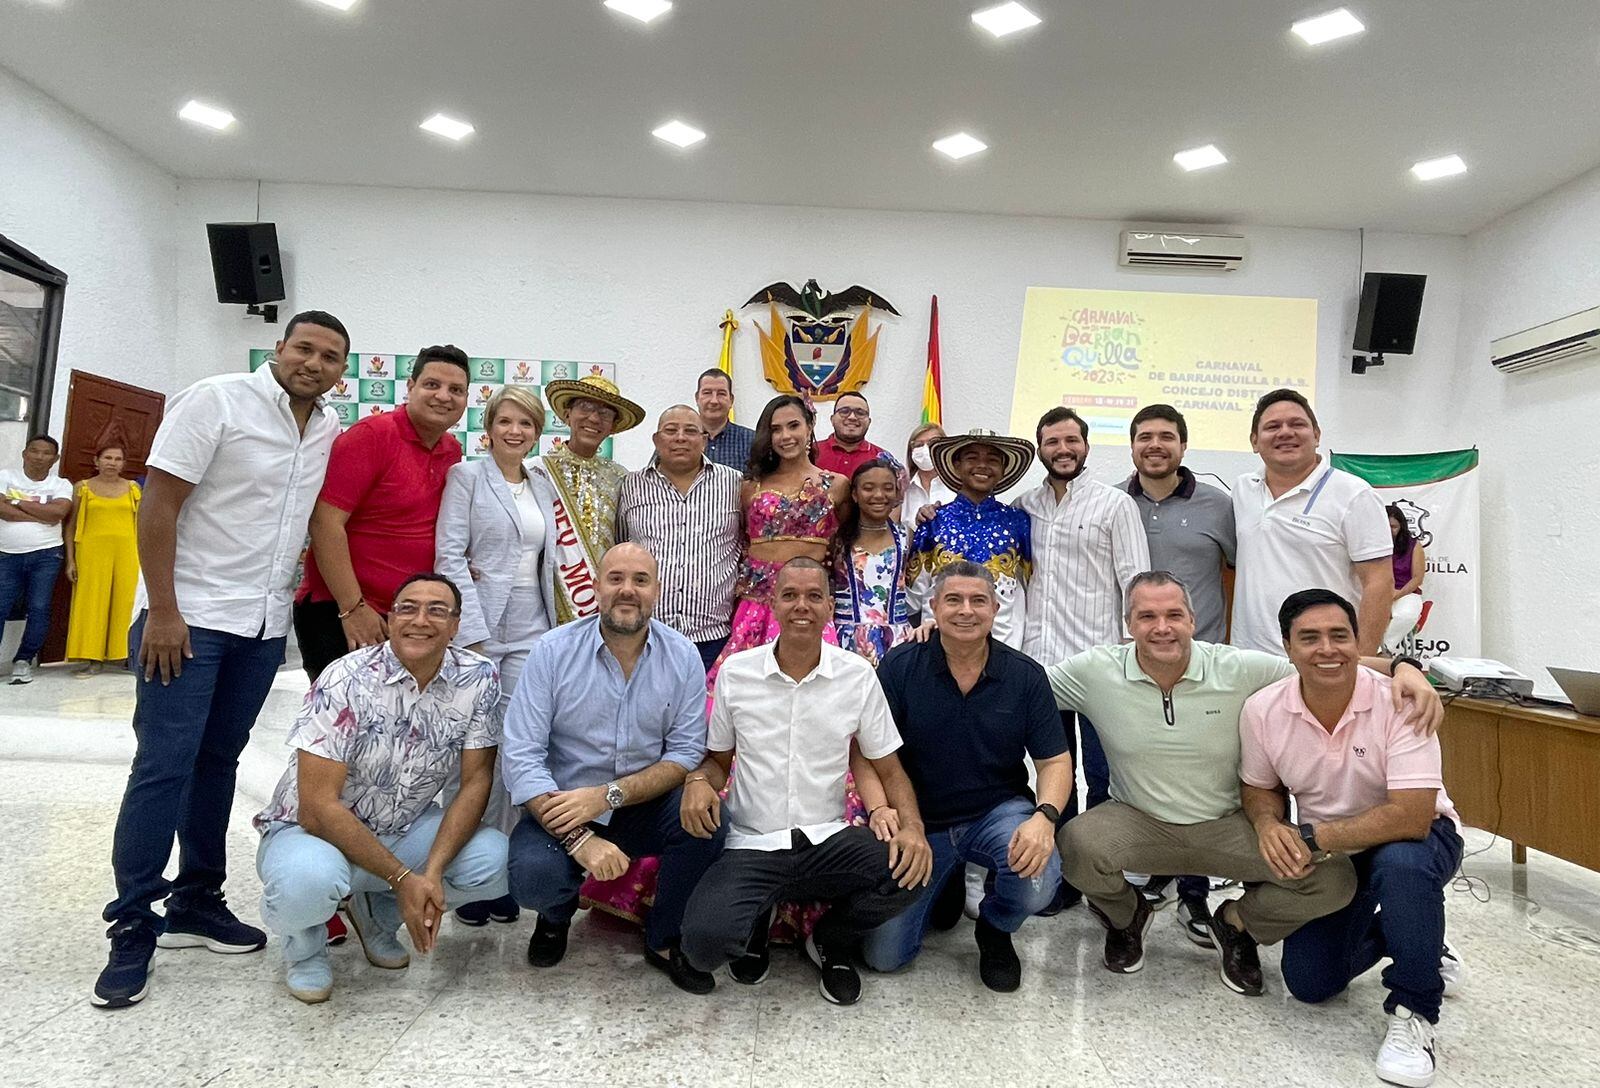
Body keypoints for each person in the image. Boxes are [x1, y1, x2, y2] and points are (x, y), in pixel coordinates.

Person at [94, 310, 348, 1009]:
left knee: (218, 763)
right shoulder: (216, 400)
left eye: (331, 356)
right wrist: (166, 612)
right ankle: (132, 927)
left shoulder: (325, 428)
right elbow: (160, 506)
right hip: (190, 619)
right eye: (305, 348)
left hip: (263, 625)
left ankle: (196, 900)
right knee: (161, 766)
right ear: (279, 348)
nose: (315, 363)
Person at [1048, 572, 1440, 997]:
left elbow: (1323, 660)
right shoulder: (1095, 672)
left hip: (1228, 825)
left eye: (1174, 614)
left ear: (1193, 621)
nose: (1162, 627)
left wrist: (1405, 667)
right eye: (1147, 616)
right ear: (1128, 625)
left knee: (1333, 880)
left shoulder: (1238, 668)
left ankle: (1237, 924)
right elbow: (1026, 689)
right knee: (1074, 844)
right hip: (1137, 821)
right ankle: (1128, 918)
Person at [679, 558, 931, 1006]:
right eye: (790, 595)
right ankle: (759, 915)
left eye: (814, 596)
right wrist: (700, 779)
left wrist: (913, 828)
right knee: (703, 947)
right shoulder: (738, 674)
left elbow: (889, 768)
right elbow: (718, 760)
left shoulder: (856, 676)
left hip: (826, 840)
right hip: (753, 843)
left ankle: (830, 939)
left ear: (829, 607)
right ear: (772, 604)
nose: (802, 606)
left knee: (912, 871)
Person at [1242, 589, 1464, 1088]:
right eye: (1310, 638)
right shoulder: (1262, 710)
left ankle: (1415, 1009)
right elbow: (1259, 786)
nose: (1327, 649)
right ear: (1286, 647)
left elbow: (1411, 817)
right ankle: (1418, 936)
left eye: (1340, 635)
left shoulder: (1402, 701)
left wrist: (1313, 835)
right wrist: (1267, 824)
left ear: (1358, 641)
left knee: (1403, 866)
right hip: (1339, 851)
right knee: (1309, 983)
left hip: (1421, 838)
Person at [253, 573, 510, 1004]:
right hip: (311, 831)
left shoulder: (478, 678)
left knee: (493, 860)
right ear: (389, 619)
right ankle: (304, 946)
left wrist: (429, 874)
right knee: (308, 882)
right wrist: (403, 877)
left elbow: (476, 780)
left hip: (403, 826)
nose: (420, 620)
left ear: (456, 625)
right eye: (407, 608)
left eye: (437, 610)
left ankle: (378, 914)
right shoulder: (345, 678)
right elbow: (316, 808)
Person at [500, 543, 725, 994]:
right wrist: (579, 838)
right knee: (533, 878)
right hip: (563, 807)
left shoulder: (680, 655)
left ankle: (665, 939)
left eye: (641, 580)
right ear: (596, 588)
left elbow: (683, 753)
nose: (628, 590)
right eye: (616, 578)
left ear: (656, 591)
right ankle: (554, 915)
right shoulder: (552, 651)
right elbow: (521, 754)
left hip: (641, 804)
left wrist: (608, 796)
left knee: (708, 824)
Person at [863, 561, 1070, 991]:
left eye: (979, 601)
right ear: (934, 608)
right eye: (953, 600)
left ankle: (994, 927)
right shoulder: (901, 667)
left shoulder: (1024, 675)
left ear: (996, 609)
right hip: (920, 823)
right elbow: (867, 751)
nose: (966, 611)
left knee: (1038, 878)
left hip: (996, 813)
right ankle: (946, 879)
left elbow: (1054, 762)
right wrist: (883, 809)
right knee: (884, 957)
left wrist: (1045, 817)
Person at [434, 383, 561, 927]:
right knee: (473, 751)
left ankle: (501, 873)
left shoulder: (541, 482)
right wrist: (475, 636)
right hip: (480, 634)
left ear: (537, 431)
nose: (515, 432)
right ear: (489, 426)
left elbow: (551, 559)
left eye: (526, 424)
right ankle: (467, 871)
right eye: (506, 421)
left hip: (534, 629)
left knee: (517, 751)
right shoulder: (466, 476)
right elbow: (449, 554)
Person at [1120, 404, 1236, 931]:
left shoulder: (1219, 505)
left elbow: (1237, 574)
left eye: (1167, 437)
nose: (1156, 445)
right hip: (1136, 666)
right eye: (1145, 437)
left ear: (1184, 446)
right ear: (1132, 446)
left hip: (1203, 665)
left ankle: (1196, 889)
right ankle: (1154, 870)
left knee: (1203, 779)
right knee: (1147, 772)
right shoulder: (1116, 502)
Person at [1015, 407, 1148, 866]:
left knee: (1103, 772)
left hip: (1099, 667)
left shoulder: (1115, 505)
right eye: (1052, 442)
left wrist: (1139, 658)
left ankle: (1102, 868)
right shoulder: (1023, 507)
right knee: (1054, 773)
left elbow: (1137, 583)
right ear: (1040, 449)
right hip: (1040, 666)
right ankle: (1062, 872)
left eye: (1071, 440)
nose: (1063, 449)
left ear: (1086, 446)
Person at [294, 345, 470, 682]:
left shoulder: (452, 450)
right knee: (346, 728)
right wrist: (353, 608)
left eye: (456, 390)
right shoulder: (373, 436)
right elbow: (325, 523)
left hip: (406, 616)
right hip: (341, 612)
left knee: (398, 726)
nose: (443, 396)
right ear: (410, 387)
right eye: (432, 385)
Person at [1232, 389, 1392, 656]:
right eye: (1273, 426)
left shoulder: (1354, 495)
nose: (1285, 432)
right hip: (1248, 659)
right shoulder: (1243, 489)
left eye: (1297, 424)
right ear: (1254, 441)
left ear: (1316, 435)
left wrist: (1360, 660)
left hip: (1321, 660)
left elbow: (1379, 582)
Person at [708, 394, 849, 682]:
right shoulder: (749, 486)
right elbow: (740, 539)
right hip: (756, 603)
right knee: (747, 684)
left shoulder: (837, 485)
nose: (785, 436)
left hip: (807, 601)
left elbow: (844, 539)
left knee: (814, 682)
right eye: (775, 429)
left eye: (793, 425)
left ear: (810, 427)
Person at [616, 405, 743, 671]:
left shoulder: (734, 484)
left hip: (714, 638)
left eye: (690, 431)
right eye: (671, 431)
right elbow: (620, 547)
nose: (680, 438)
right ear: (656, 439)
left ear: (704, 439)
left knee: (707, 713)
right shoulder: (630, 486)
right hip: (647, 634)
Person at [907, 428, 1034, 657]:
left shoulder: (1019, 522)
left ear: (1003, 469)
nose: (982, 465)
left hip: (1003, 651)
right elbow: (913, 597)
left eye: (992, 460)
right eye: (972, 458)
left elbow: (1027, 587)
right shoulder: (934, 521)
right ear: (956, 465)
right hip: (938, 650)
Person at [540, 375, 645, 623]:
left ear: (613, 427)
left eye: (605, 413)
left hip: (604, 599)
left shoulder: (621, 477)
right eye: (585, 407)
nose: (594, 418)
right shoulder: (538, 472)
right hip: (547, 599)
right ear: (567, 414)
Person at [0, 434, 74, 684]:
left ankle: (23, 660)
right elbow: (2, 510)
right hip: (6, 554)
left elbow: (59, 513)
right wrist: (42, 515)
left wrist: (17, 501)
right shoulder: (5, 476)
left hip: (46, 555)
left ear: (55, 459)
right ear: (24, 453)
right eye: (34, 451)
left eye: (46, 453)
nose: (39, 457)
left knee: (39, 609)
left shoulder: (61, 484)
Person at [64, 443, 142, 676]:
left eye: (118, 459)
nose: (112, 463)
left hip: (128, 552)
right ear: (96, 461)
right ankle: (92, 658)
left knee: (127, 602)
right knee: (91, 603)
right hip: (91, 553)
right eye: (107, 458)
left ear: (123, 464)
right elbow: (71, 525)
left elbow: (144, 523)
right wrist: (70, 561)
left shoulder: (133, 488)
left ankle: (125, 656)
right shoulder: (83, 488)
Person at [831, 460, 912, 667]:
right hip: (846, 642)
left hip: (897, 641)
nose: (879, 495)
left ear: (897, 494)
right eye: (868, 488)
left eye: (887, 488)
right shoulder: (836, 539)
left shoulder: (907, 536)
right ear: (855, 495)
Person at [813, 391, 905, 481]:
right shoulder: (810, 452)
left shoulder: (883, 458)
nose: (852, 417)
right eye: (844, 411)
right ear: (832, 419)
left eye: (860, 413)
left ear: (869, 422)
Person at [694, 368, 755, 472]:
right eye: (707, 393)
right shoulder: (679, 440)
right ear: (697, 398)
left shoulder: (752, 441)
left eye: (721, 394)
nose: (714, 401)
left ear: (731, 400)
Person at [1384, 504, 1426, 653]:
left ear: (1402, 526)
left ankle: (1381, 649)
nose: (1389, 531)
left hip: (1406, 592)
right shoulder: (1370, 544)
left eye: (1393, 527)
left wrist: (1397, 593)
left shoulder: (1413, 546)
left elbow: (1417, 578)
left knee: (1406, 615)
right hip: (1376, 591)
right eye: (1385, 526)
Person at [901, 422, 954, 540]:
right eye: (919, 445)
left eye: (932, 443)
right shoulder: (902, 488)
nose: (925, 449)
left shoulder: (958, 486)